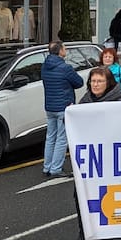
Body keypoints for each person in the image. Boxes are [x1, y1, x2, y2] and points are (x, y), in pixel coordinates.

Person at [67, 67, 121, 240]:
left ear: (108, 83)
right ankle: (84, 234)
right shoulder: (85, 101)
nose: (96, 85)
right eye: (93, 81)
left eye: (100, 81)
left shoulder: (120, 101)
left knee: (108, 196)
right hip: (89, 158)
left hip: (111, 157)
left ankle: (107, 235)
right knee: (81, 194)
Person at [42, 41, 83, 178]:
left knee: (50, 137)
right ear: (60, 51)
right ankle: (56, 168)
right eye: (64, 48)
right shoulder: (65, 68)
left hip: (50, 106)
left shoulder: (44, 66)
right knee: (61, 138)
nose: (66, 50)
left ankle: (47, 166)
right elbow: (79, 82)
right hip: (63, 106)